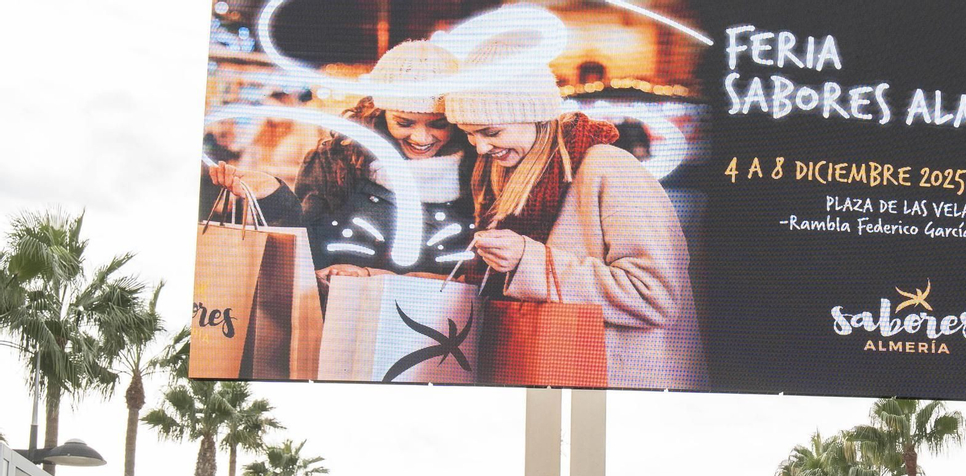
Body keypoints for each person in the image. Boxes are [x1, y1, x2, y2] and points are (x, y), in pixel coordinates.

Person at [444, 32, 706, 391]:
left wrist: (529, 260)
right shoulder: (502, 177)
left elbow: (655, 294)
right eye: (470, 134)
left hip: (619, 395)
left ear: (533, 114)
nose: (481, 146)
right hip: (545, 383)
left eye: (491, 131)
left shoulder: (609, 168)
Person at [206, 40, 476, 277]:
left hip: (444, 329)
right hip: (343, 322)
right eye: (404, 122)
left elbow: (480, 277)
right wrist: (274, 197)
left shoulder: (480, 171)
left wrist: (377, 277)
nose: (421, 138)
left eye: (438, 124)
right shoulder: (336, 162)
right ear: (380, 113)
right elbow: (306, 255)